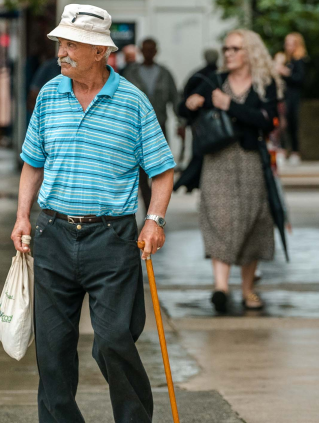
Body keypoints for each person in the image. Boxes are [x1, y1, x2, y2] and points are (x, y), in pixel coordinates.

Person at [11, 3, 175, 423]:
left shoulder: (133, 102)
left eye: (71, 44)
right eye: (60, 43)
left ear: (101, 52)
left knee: (113, 340)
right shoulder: (49, 95)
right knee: (53, 347)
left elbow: (162, 171)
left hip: (112, 237)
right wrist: (22, 217)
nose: (61, 52)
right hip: (54, 233)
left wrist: (154, 220)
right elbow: (33, 163)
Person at [178, 30, 281, 314]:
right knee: (219, 218)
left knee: (253, 220)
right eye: (226, 49)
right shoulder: (214, 80)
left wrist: (230, 105)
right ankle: (220, 287)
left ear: (250, 52)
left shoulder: (264, 84)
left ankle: (247, 290)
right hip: (217, 160)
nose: (229, 54)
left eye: (235, 49)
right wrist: (191, 103)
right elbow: (184, 109)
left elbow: (267, 121)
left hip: (250, 160)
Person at [122, 38, 179, 205]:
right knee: (139, 173)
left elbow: (175, 99)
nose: (148, 53)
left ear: (156, 51)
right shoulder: (131, 73)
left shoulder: (165, 74)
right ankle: (148, 207)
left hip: (158, 127)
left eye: (151, 49)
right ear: (141, 51)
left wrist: (181, 122)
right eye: (145, 49)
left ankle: (155, 209)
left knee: (159, 170)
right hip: (134, 129)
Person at [276, 32, 309, 165]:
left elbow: (300, 79)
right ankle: (282, 149)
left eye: (291, 43)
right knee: (281, 123)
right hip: (282, 96)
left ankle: (295, 151)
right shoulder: (285, 59)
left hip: (293, 96)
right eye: (287, 43)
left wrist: (286, 73)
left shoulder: (299, 60)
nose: (288, 46)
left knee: (292, 122)